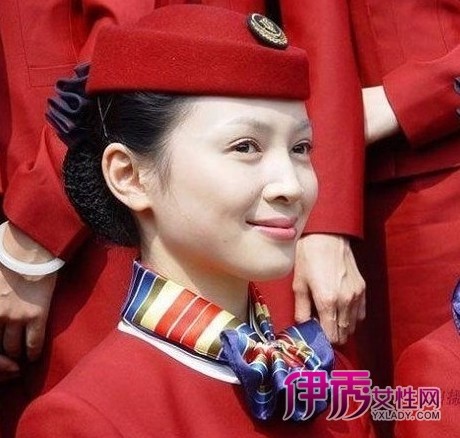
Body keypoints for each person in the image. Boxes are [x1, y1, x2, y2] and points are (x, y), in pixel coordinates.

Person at [16, 6, 374, 437]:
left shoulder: (328, 379)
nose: (292, 186)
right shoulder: (86, 418)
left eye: (301, 148)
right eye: (245, 147)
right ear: (129, 176)